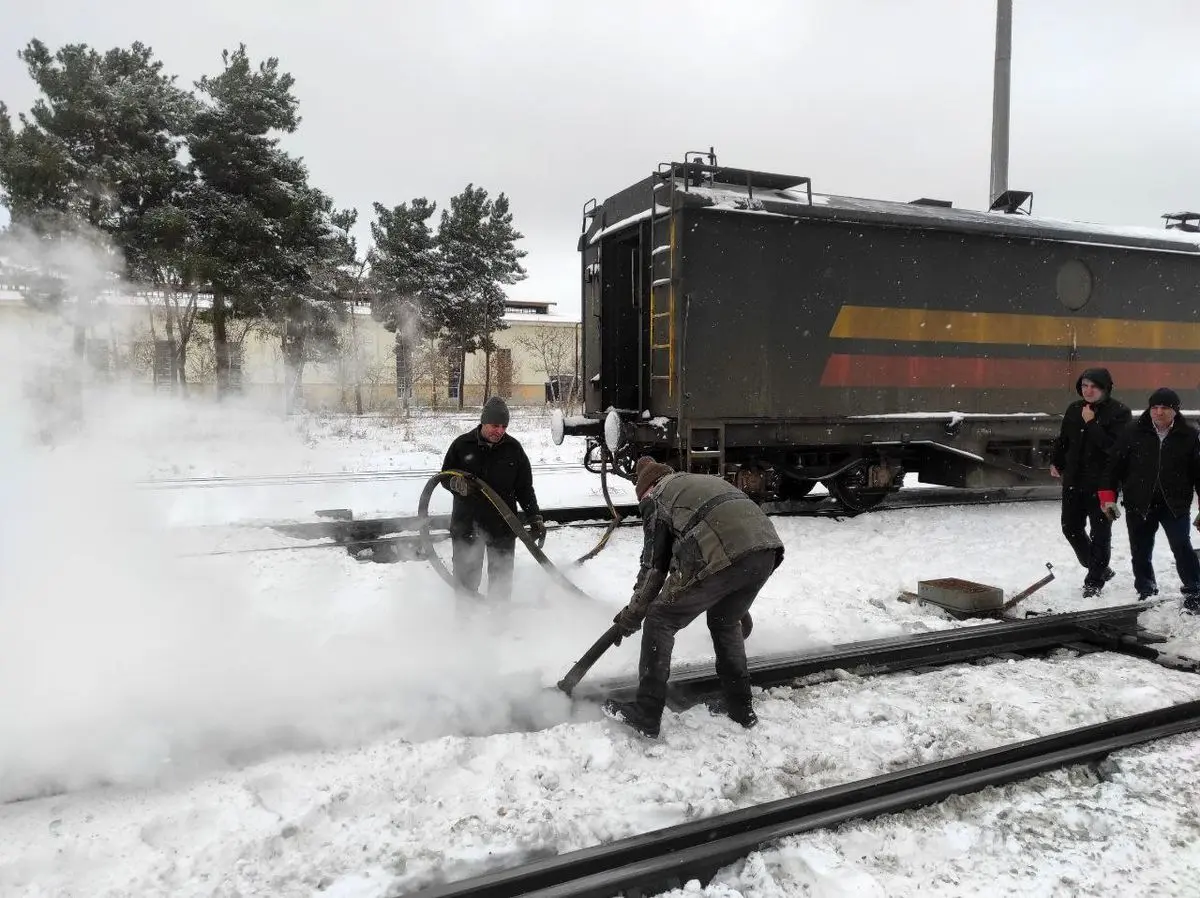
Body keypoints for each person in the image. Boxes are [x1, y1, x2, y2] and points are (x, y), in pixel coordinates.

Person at [604, 457, 784, 738]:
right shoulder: (693, 482)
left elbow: (654, 567)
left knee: (659, 619)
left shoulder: (657, 497)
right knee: (726, 621)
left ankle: (647, 712)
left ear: (646, 488)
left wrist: (633, 614)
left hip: (725, 550)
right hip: (766, 548)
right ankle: (741, 708)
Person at [1099, 387, 1200, 613]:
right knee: (1140, 549)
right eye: (1154, 407)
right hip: (1139, 502)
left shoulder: (1189, 435)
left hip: (1174, 504)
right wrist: (1108, 497)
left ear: (1175, 410)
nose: (1158, 412)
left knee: (1182, 546)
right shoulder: (1132, 432)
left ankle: (1194, 590)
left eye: (1164, 408)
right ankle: (1146, 589)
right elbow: (1112, 468)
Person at [441, 397, 544, 600]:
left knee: (501, 581)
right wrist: (456, 484)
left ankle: (499, 625)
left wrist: (535, 517)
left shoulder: (514, 449)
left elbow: (524, 488)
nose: (500, 431)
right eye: (495, 425)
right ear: (483, 422)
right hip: (467, 525)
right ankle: (465, 623)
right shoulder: (462, 446)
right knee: (465, 582)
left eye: (504, 426)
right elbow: (444, 477)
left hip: (502, 527)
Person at [1049, 368, 1132, 597]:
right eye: (1084, 385)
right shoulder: (1074, 409)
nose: (1088, 390)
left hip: (1104, 486)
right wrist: (1056, 461)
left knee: (1101, 534)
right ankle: (1099, 567)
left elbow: (1113, 449)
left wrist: (1093, 423)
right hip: (1074, 481)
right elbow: (1064, 439)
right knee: (1070, 527)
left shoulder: (1120, 413)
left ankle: (1093, 581)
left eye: (1094, 386)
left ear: (1105, 388)